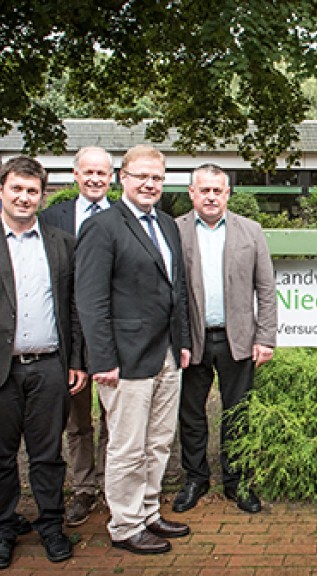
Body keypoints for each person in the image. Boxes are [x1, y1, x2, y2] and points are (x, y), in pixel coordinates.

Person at [76, 144, 192, 555]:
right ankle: (124, 524)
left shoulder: (166, 224)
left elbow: (176, 290)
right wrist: (102, 359)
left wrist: (183, 343)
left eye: (157, 178)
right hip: (123, 358)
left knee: (159, 441)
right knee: (127, 445)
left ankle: (147, 513)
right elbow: (90, 300)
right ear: (121, 177)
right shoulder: (103, 226)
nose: (150, 184)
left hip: (166, 353)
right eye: (142, 176)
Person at [173, 164, 277, 514]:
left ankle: (237, 481)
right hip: (192, 342)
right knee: (191, 414)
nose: (211, 196)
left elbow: (266, 288)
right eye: (205, 190)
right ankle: (195, 478)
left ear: (228, 193)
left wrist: (265, 337)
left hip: (239, 340)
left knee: (237, 414)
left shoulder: (251, 231)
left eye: (218, 190)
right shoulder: (175, 231)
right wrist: (177, 340)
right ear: (192, 193)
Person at [0, 157, 87, 568]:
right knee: (2, 457)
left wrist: (78, 361)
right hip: (4, 369)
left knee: (47, 455)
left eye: (32, 191)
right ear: (3, 190)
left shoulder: (59, 242)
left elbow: (73, 307)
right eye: (17, 188)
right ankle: (3, 529)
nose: (24, 197)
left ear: (42, 195)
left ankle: (51, 526)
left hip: (51, 366)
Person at [39, 146, 112, 527]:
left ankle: (111, 486)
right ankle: (83, 488)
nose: (96, 179)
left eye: (103, 172)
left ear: (112, 177)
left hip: (112, 338)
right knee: (78, 422)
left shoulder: (123, 217)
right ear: (76, 175)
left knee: (116, 420)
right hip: (68, 338)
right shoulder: (50, 218)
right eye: (89, 172)